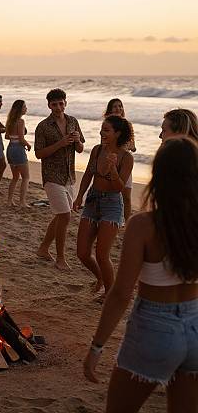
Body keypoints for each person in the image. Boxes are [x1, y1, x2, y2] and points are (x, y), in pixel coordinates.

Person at [84, 137, 198, 412]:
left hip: (154, 327)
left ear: (158, 175)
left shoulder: (144, 225)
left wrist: (97, 346)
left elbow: (122, 293)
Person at [73, 116, 134, 294]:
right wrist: (79, 197)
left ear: (118, 133)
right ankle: (100, 277)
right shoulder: (97, 150)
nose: (102, 133)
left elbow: (119, 187)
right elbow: (87, 175)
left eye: (106, 130)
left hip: (112, 204)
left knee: (102, 254)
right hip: (92, 201)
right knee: (82, 253)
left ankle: (109, 293)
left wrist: (113, 169)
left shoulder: (126, 157)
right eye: (102, 129)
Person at [35, 88, 85, 270]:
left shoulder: (73, 121)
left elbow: (80, 149)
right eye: (54, 104)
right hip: (51, 176)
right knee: (65, 215)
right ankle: (61, 258)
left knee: (60, 216)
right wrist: (60, 143)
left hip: (69, 176)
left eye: (61, 103)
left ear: (65, 103)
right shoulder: (43, 126)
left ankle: (43, 248)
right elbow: (39, 153)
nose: (58, 107)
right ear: (49, 105)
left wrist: (78, 141)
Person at [104, 98, 136, 220]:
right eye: (115, 106)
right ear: (110, 110)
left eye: (120, 106)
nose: (118, 108)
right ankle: (112, 218)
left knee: (126, 195)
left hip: (125, 162)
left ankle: (126, 222)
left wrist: (131, 147)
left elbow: (133, 146)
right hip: (110, 161)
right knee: (111, 193)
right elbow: (103, 144)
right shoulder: (107, 125)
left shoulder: (128, 125)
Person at [5, 100, 31, 207]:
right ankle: (22, 202)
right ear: (20, 109)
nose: (26, 108)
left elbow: (7, 136)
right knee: (25, 177)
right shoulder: (20, 121)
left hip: (10, 148)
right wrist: (28, 145)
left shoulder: (10, 121)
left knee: (15, 177)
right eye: (24, 106)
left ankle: (9, 201)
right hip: (18, 149)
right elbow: (21, 138)